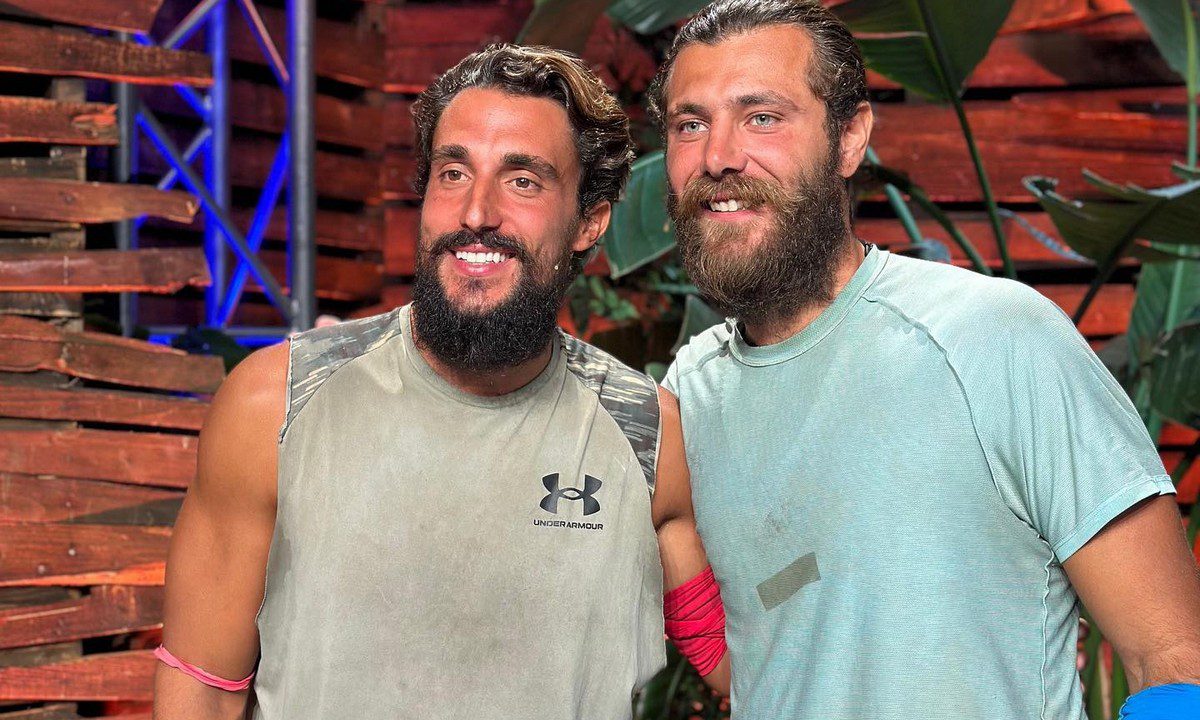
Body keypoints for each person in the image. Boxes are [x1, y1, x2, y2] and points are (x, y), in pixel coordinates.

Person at [653, 1, 1200, 718]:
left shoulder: (993, 338)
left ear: (850, 138)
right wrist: (671, 533)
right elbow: (758, 665)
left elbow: (1172, 657)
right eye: (690, 124)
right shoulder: (689, 396)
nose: (718, 156)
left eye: (762, 117)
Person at [154, 44, 727, 720]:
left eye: (523, 181)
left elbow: (750, 666)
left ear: (589, 221)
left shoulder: (647, 433)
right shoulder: (275, 403)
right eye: (453, 173)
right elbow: (201, 691)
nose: (476, 212)